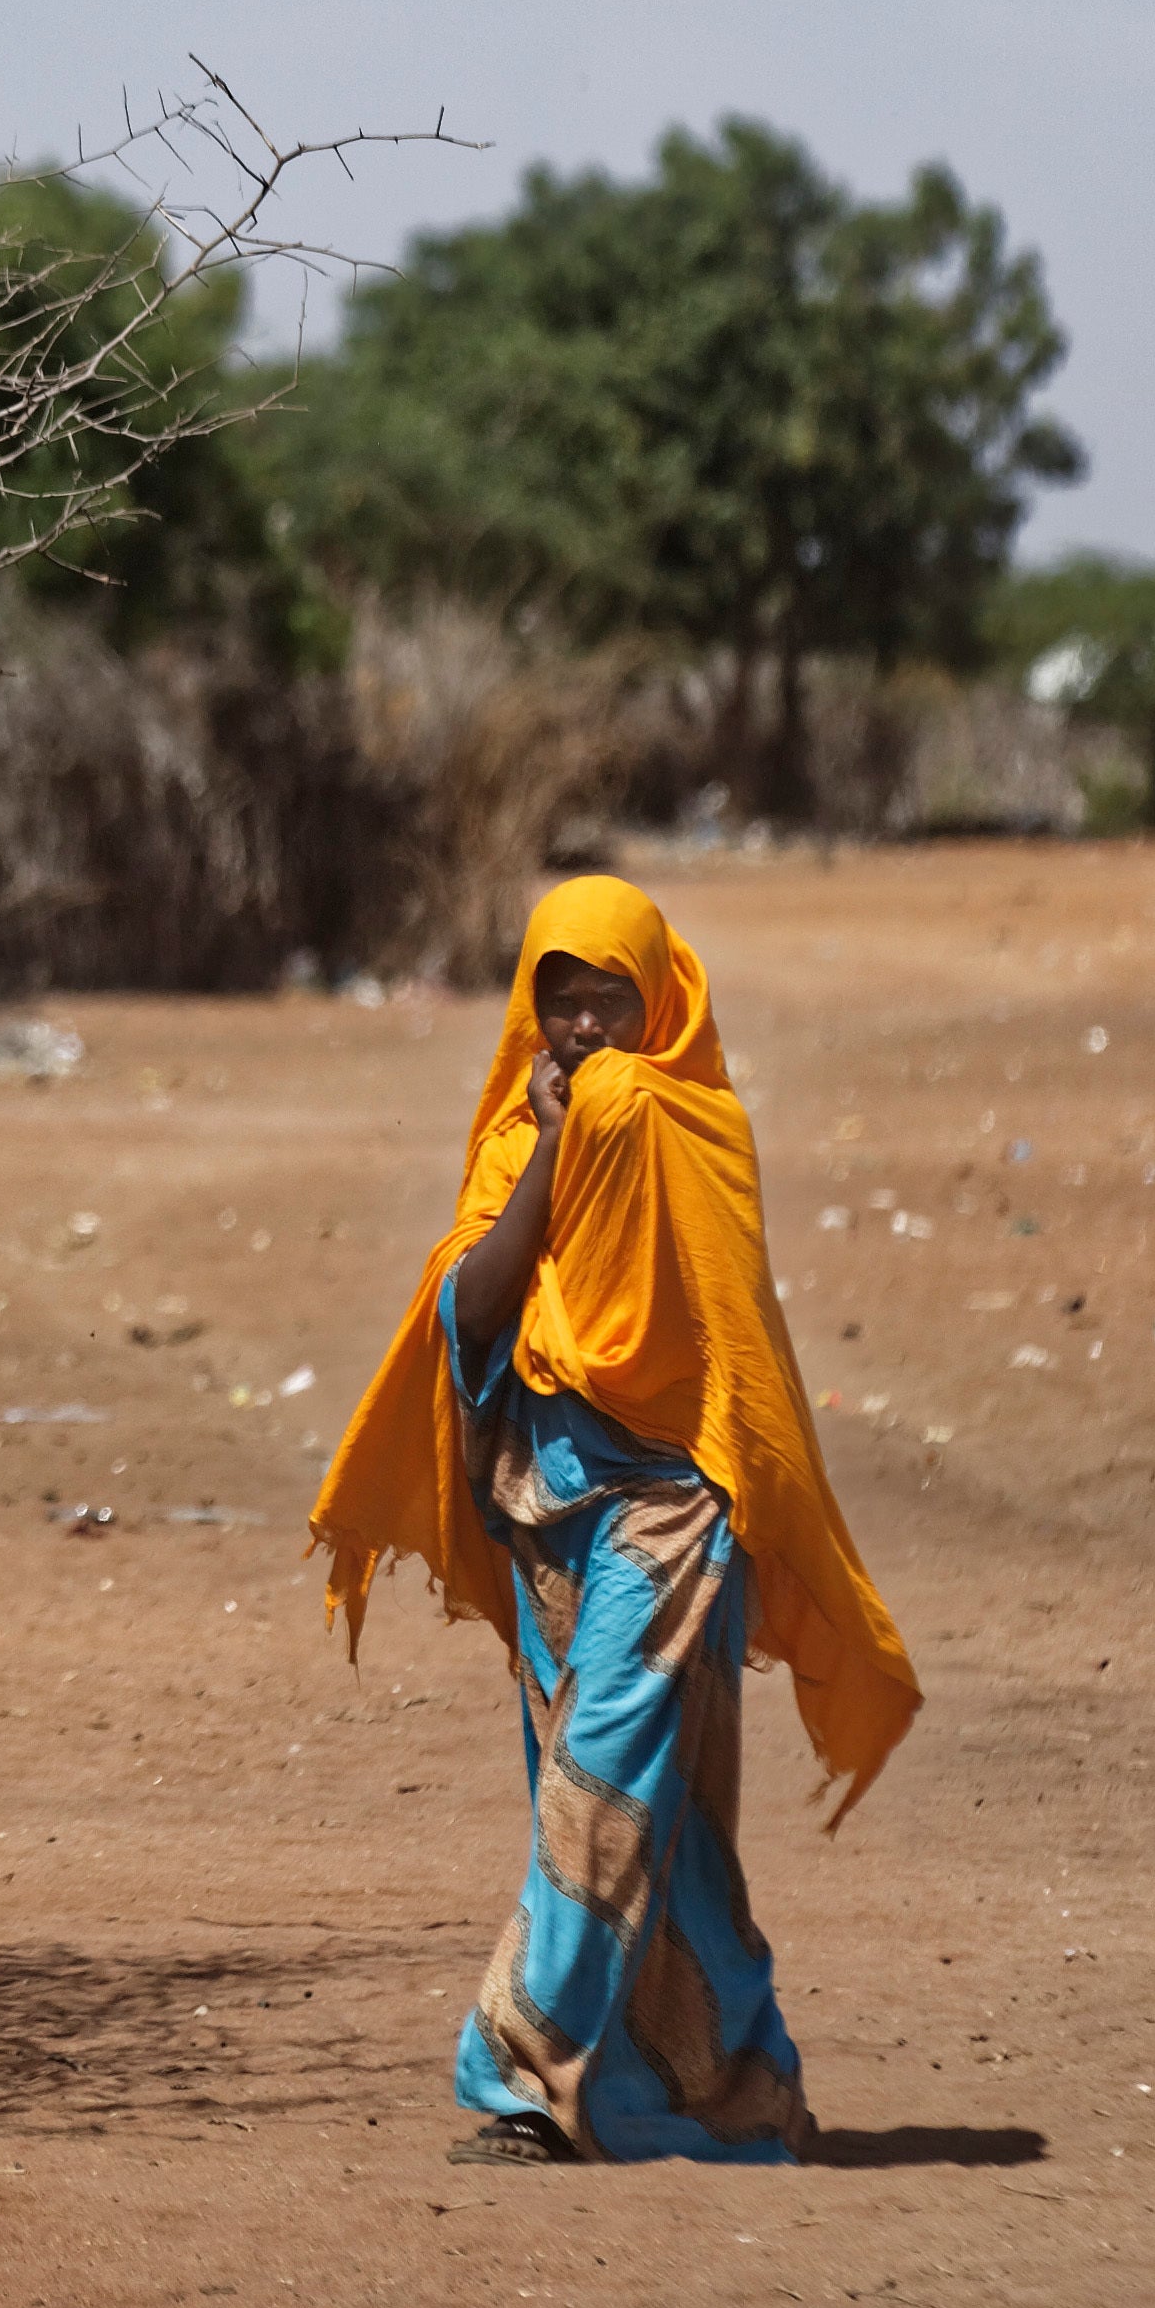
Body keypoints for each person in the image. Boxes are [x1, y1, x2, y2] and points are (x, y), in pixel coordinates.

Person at [304, 875, 916, 2166]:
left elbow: (723, 1351)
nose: (584, 1029)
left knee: (604, 1788)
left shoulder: (689, 1123)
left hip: (674, 1513)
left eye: (609, 1001)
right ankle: (736, 2088)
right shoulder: (523, 1132)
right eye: (561, 1004)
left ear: (662, 1000)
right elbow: (470, 1313)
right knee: (669, 1828)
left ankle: (519, 2071)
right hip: (547, 1514)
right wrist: (545, 1160)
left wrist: (600, 1126)